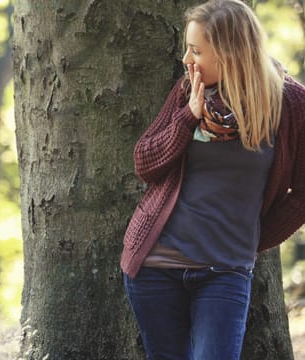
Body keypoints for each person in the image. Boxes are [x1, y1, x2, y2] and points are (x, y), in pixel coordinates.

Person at [120, 0, 305, 359]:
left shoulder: (291, 104)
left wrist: (251, 239)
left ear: (230, 52)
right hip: (156, 266)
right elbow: (144, 162)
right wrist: (188, 117)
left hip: (226, 272)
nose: (187, 60)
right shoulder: (188, 91)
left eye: (196, 50)